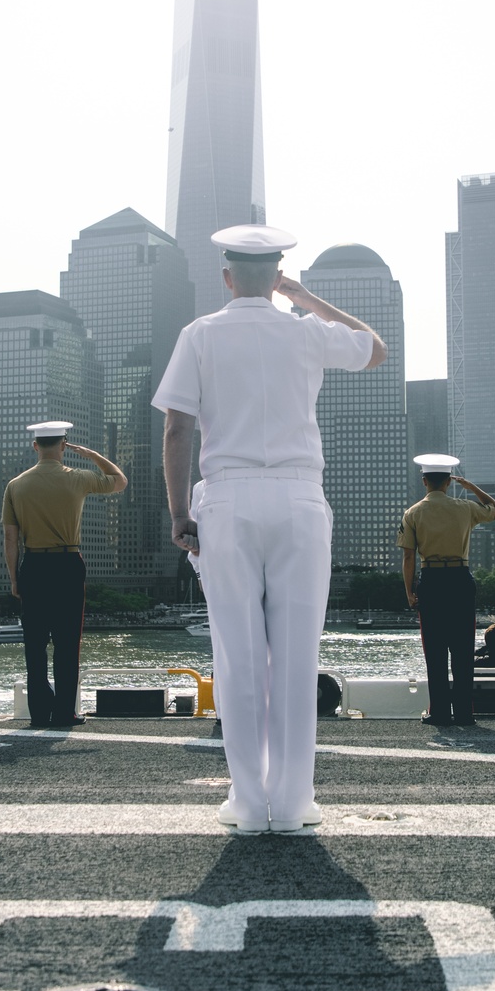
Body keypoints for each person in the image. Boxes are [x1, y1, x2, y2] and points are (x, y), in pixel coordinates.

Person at [153, 224, 386, 834]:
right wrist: (304, 298)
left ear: (227, 276)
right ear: (277, 275)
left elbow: (177, 431)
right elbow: (374, 347)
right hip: (299, 499)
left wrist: (180, 514)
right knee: (296, 654)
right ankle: (294, 801)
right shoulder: (305, 331)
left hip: (226, 499)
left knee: (237, 655)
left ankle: (249, 805)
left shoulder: (199, 334)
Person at [2, 422, 126, 728]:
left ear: (35, 446)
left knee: (35, 644)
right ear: (64, 445)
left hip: (33, 566)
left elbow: (9, 538)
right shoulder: (78, 478)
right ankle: (64, 714)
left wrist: (15, 579)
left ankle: (39, 714)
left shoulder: (16, 485)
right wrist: (92, 454)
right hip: (68, 564)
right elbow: (119, 480)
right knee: (68, 644)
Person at [398, 455, 495, 727]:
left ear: (424, 482)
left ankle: (441, 713)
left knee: (434, 650)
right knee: (462, 649)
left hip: (431, 579)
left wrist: (410, 591)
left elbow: (409, 557)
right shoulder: (465, 507)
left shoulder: (412, 513)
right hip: (460, 578)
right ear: (448, 481)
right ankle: (465, 713)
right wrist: (472, 488)